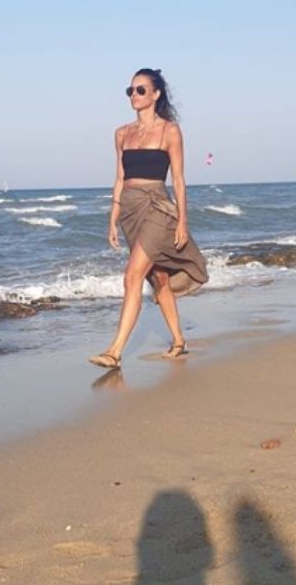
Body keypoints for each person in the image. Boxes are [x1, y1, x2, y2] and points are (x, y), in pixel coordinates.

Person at [89, 68, 209, 368]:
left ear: (155, 94)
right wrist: (113, 218)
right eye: (130, 90)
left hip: (157, 206)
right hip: (130, 209)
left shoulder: (169, 131)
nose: (134, 95)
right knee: (158, 277)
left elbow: (178, 180)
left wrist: (182, 222)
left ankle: (114, 351)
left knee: (132, 276)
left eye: (140, 90)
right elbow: (120, 178)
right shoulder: (121, 134)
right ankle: (179, 340)